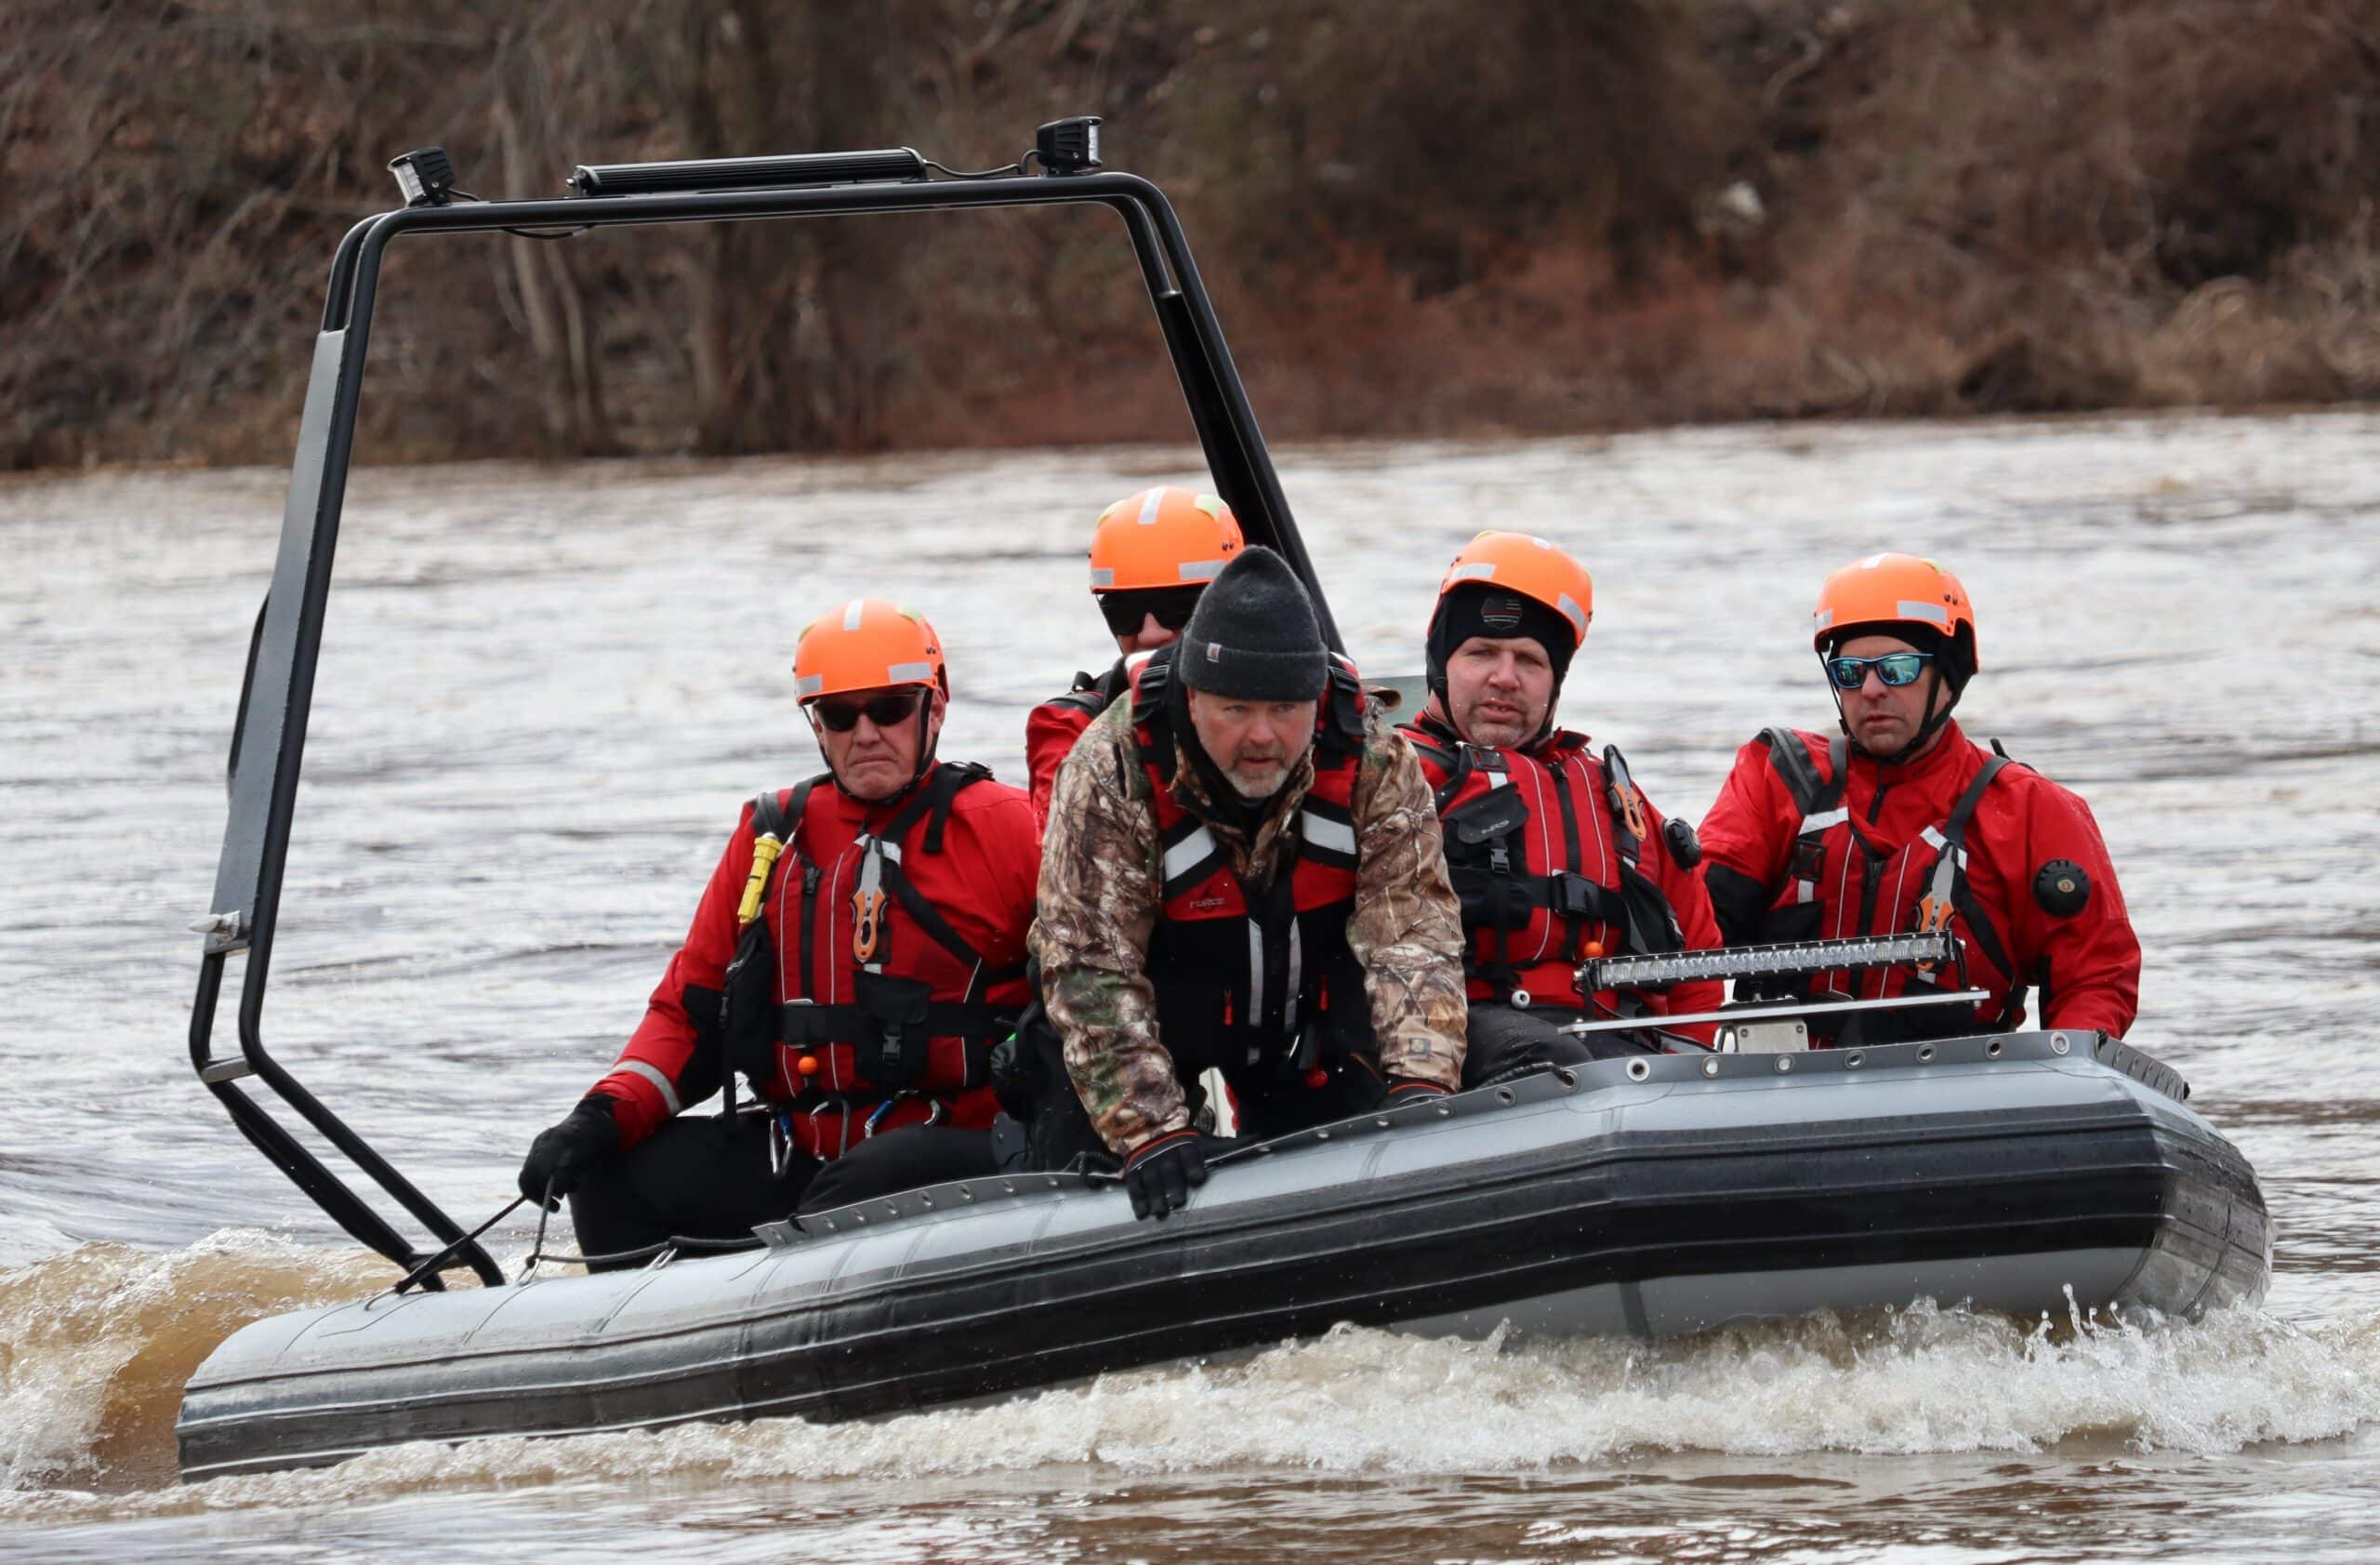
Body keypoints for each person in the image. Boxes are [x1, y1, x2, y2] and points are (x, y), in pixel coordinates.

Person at [515, 600, 1041, 1266]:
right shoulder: (771, 837)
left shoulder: (1007, 825)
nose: (866, 732)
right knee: (611, 1177)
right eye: (840, 715)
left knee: (866, 1181)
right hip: (804, 1152)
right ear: (817, 726)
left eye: (888, 707)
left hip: (963, 1145)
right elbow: (687, 1014)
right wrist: (595, 1118)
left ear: (933, 710)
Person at [1027, 546, 1469, 1220]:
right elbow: (1088, 963)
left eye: (1285, 709)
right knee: (1086, 1151)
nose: (1262, 736)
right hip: (1159, 1019)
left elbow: (1412, 932)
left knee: (1404, 1123)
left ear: (1316, 702)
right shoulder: (1110, 767)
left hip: (1304, 1023)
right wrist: (1151, 1127)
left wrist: (1421, 1080)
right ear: (1194, 699)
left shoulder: (1373, 756)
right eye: (1236, 710)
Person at [1698, 552, 2140, 1043]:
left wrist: (2064, 1079)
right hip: (1778, 1082)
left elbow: (2096, 978)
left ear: (1948, 676)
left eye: (1898, 668)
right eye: (1850, 672)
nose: (1870, 689)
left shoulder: (2031, 810)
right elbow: (1689, 938)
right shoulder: (1776, 781)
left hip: (1961, 1089)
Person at [1397, 532, 1723, 1081]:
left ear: (1555, 682)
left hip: (1612, 1050)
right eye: (1481, 653)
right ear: (1442, 662)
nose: (1505, 677)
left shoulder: (1613, 796)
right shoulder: (1391, 778)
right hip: (1457, 1045)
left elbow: (1698, 961)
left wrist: (1688, 1069)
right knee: (1553, 1063)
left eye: (1529, 660)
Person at [1025, 485, 1244, 825]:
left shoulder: (1304, 707)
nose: (1150, 633)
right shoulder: (1070, 729)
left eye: (1180, 607)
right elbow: (1064, 855)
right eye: (1124, 611)